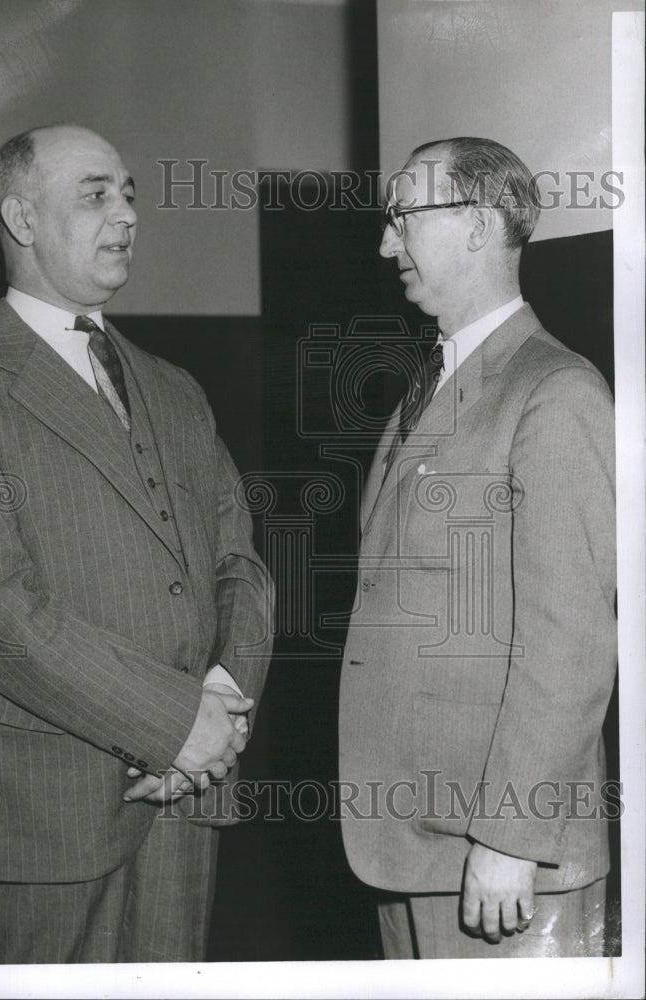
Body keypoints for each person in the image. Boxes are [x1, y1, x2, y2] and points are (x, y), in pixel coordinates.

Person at [0, 123, 273, 964]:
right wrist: (175, 724)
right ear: (23, 219)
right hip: (41, 813)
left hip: (187, 798)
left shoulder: (174, 387)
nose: (128, 214)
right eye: (95, 193)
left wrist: (220, 708)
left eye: (130, 192)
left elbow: (240, 565)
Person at [339, 136, 617, 959]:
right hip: (411, 841)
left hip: (497, 854)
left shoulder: (555, 392)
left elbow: (570, 639)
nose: (386, 242)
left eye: (402, 217)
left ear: (476, 224)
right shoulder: (430, 386)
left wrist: (507, 836)